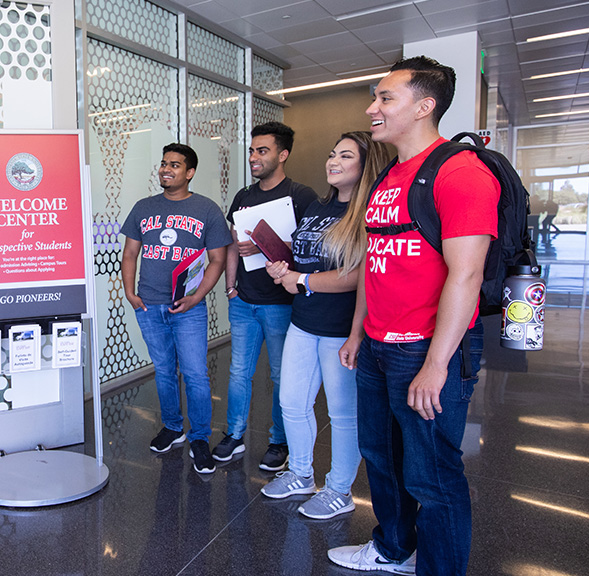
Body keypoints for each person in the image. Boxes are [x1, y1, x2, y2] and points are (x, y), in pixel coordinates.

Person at [328, 56, 499, 576]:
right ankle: (393, 549)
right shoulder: (390, 177)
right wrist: (360, 331)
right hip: (379, 347)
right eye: (375, 97)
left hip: (425, 350)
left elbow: (466, 277)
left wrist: (437, 364)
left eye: (385, 98)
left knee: (433, 474)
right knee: (381, 460)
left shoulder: (460, 172)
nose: (371, 108)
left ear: (425, 106)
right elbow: (373, 264)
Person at [259, 132, 390, 521]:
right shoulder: (318, 205)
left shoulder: (369, 214)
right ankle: (300, 473)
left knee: (343, 414)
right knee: (291, 403)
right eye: (332, 154)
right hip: (303, 321)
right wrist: (281, 267)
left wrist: (302, 281)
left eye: (345, 156)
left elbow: (359, 275)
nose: (332, 161)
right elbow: (305, 261)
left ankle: (338, 490)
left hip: (341, 328)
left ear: (366, 166)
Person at [121, 143, 231, 474]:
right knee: (165, 370)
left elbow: (218, 259)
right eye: (164, 163)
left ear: (190, 172)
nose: (166, 169)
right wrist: (130, 292)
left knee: (196, 373)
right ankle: (172, 427)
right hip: (149, 303)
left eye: (175, 165)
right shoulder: (144, 207)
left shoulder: (206, 209)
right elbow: (130, 254)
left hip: (187, 307)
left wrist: (197, 297)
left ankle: (199, 437)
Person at [212, 122, 316, 471]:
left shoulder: (301, 196)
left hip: (281, 304)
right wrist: (230, 287)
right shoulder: (244, 196)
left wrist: (262, 244)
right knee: (239, 372)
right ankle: (234, 434)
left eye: (263, 151)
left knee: (280, 376)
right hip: (243, 300)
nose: (254, 157)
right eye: (253, 151)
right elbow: (230, 245)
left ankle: (279, 441)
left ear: (282, 155)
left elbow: (309, 249)